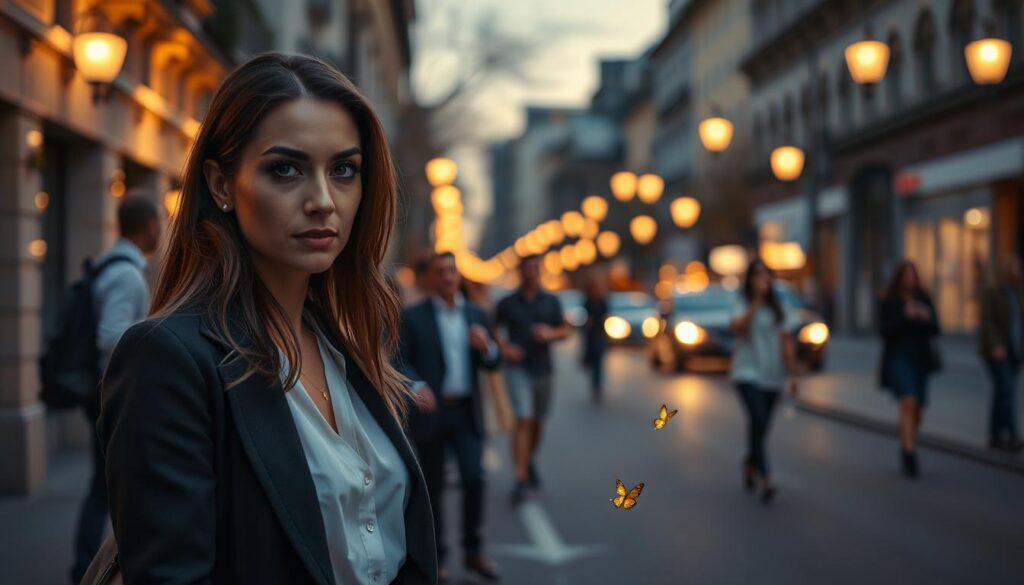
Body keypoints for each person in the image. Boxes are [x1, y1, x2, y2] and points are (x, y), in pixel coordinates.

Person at [95, 54, 436, 584]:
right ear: (222, 185)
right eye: (286, 169)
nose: (323, 201)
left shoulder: (348, 342)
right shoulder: (167, 358)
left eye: (344, 169)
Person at [70, 194, 161, 584]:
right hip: (111, 394)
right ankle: (88, 568)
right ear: (150, 227)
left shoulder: (112, 263)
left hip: (104, 391)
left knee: (104, 485)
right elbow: (110, 335)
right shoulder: (126, 274)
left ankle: (86, 566)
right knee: (107, 488)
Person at [398, 252, 501, 582]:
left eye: (452, 270)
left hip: (466, 412)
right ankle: (438, 558)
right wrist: (418, 384)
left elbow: (493, 362)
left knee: (474, 478)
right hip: (432, 414)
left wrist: (487, 348)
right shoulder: (413, 316)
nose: (447, 277)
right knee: (434, 489)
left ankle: (473, 552)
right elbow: (399, 360)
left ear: (459, 275)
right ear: (428, 278)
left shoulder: (476, 314)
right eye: (440, 271)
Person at [494, 255, 570, 505]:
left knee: (537, 422)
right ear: (520, 273)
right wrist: (505, 348)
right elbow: (492, 328)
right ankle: (520, 476)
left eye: (535, 269)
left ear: (540, 272)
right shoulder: (507, 303)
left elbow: (565, 330)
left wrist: (550, 334)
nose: (531, 273)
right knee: (523, 419)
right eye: (526, 269)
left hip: (543, 370)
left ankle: (528, 459)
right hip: (518, 369)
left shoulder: (551, 301)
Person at [729, 258, 799, 503]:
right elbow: (737, 328)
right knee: (757, 418)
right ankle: (765, 477)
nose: (762, 279)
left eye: (766, 275)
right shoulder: (743, 303)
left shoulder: (780, 307)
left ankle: (749, 462)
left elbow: (786, 341)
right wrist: (756, 303)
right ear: (750, 280)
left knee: (761, 427)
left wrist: (792, 374)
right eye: (757, 275)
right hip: (746, 373)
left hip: (773, 375)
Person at [879, 261, 940, 478]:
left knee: (918, 409)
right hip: (898, 357)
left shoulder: (923, 300)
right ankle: (909, 452)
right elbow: (884, 331)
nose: (909, 280)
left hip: (920, 359)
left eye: (912, 276)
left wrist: (924, 317)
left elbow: (936, 329)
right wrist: (905, 316)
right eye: (906, 276)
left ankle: (908, 439)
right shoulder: (890, 302)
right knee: (908, 401)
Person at [978, 256, 1024, 453]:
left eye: (1017, 267)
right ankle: (1012, 435)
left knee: (1002, 392)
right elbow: (987, 322)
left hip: (1014, 350)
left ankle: (995, 435)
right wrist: (996, 345)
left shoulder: (1017, 292)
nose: (1016, 271)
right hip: (996, 350)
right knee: (1006, 391)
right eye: (1012, 267)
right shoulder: (992, 291)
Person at [582, 276, 609, 403]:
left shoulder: (602, 301)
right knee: (593, 360)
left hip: (599, 334)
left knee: (598, 361)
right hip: (591, 334)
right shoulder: (588, 300)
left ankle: (597, 385)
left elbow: (605, 316)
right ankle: (595, 383)